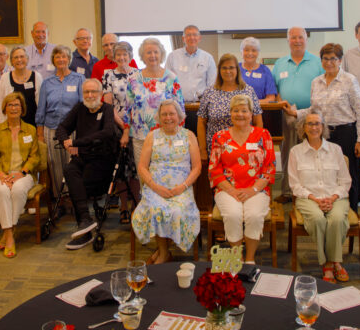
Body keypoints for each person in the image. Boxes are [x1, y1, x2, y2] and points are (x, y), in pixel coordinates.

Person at [284, 44, 360, 210]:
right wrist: (296, 113)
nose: (329, 62)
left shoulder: (349, 80)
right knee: (326, 174)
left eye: (333, 59)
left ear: (340, 60)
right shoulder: (317, 82)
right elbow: (314, 110)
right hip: (323, 133)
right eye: (325, 58)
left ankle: (349, 213)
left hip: (345, 133)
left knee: (348, 174)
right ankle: (325, 209)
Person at [132, 99, 201, 264]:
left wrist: (182, 187)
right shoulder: (152, 136)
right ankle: (163, 253)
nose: (168, 118)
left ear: (179, 116)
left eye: (171, 114)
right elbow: (142, 167)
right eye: (164, 114)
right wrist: (156, 187)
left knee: (177, 211)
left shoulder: (189, 135)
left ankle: (163, 252)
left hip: (181, 188)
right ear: (159, 117)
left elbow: (197, 167)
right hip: (155, 187)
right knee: (155, 209)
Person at [209, 94, 276, 264]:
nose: (240, 114)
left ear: (251, 113)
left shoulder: (263, 134)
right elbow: (214, 169)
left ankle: (250, 260)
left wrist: (252, 190)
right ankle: (236, 257)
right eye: (236, 110)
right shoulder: (220, 136)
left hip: (257, 190)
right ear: (230, 113)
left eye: (244, 111)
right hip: (227, 189)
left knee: (253, 215)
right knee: (232, 214)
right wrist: (231, 190)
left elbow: (269, 168)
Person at [288, 108, 351, 283]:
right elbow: (295, 184)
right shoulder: (295, 152)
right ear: (303, 127)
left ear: (323, 127)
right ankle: (332, 263)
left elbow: (345, 181)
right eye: (310, 123)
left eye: (317, 123)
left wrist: (332, 198)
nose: (314, 127)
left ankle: (331, 263)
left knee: (337, 219)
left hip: (335, 197)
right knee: (318, 219)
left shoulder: (336, 150)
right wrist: (314, 199)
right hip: (308, 199)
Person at [57, 79, 120, 249]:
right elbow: (61, 128)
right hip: (83, 157)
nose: (90, 95)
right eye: (86, 92)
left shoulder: (107, 109)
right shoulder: (79, 108)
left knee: (81, 182)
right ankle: (85, 221)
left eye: (94, 92)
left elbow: (106, 133)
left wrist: (78, 143)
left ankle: (84, 227)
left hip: (102, 158)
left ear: (101, 94)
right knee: (70, 171)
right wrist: (66, 141)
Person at [272, 27, 323, 203]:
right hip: (286, 115)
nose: (297, 41)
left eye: (300, 37)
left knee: (310, 154)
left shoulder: (317, 62)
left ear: (306, 39)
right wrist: (282, 104)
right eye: (293, 38)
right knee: (288, 153)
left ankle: (308, 192)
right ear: (288, 41)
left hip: (312, 115)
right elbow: (275, 89)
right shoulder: (280, 63)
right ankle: (287, 191)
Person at [0, 92, 41, 259]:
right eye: (10, 105)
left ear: (22, 109)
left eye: (17, 105)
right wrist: (2, 176)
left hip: (23, 175)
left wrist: (21, 173)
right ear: (4, 109)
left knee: (17, 190)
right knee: (2, 191)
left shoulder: (30, 130)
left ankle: (7, 232)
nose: (13, 108)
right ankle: (10, 235)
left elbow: (35, 156)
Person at [121, 38, 184, 170]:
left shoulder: (171, 78)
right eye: (148, 52)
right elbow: (127, 108)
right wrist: (126, 132)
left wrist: (179, 132)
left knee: (164, 172)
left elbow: (180, 108)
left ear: (161, 54)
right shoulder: (133, 79)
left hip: (167, 133)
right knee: (143, 174)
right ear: (142, 56)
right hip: (140, 136)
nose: (153, 55)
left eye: (156, 52)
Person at [36, 45, 85, 198]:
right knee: (55, 165)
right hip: (52, 129)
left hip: (73, 130)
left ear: (69, 59)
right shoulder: (47, 82)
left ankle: (74, 198)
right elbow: (41, 109)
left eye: (64, 56)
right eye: (58, 57)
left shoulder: (79, 79)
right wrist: (40, 135)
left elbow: (84, 107)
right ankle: (60, 199)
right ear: (54, 60)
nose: (61, 59)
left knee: (73, 164)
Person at [101, 41, 141, 223]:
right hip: (117, 128)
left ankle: (137, 205)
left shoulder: (139, 75)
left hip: (138, 127)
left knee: (136, 169)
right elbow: (109, 105)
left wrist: (131, 126)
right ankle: (123, 206)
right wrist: (124, 127)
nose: (122, 57)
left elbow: (141, 103)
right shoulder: (108, 75)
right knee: (121, 170)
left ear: (131, 56)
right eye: (118, 55)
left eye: (125, 54)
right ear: (114, 57)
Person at [197, 54, 263, 162]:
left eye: (231, 67)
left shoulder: (248, 91)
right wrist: (202, 150)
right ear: (219, 70)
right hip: (216, 149)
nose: (228, 71)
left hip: (244, 147)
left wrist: (253, 144)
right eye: (224, 68)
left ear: (237, 69)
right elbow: (201, 122)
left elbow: (258, 121)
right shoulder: (209, 92)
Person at [166, 24, 217, 102]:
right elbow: (167, 80)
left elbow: (212, 84)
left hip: (200, 104)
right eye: (188, 35)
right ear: (183, 38)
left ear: (199, 38)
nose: (192, 38)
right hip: (177, 104)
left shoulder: (208, 58)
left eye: (195, 35)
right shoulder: (172, 56)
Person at [0, 46, 42, 127]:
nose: (19, 60)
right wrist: (3, 125)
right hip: (11, 126)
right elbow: (1, 104)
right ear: (11, 61)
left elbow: (41, 105)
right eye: (16, 57)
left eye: (22, 57)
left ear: (27, 59)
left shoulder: (36, 77)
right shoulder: (5, 78)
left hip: (33, 125)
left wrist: (40, 127)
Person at [238, 37, 277, 103]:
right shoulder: (235, 68)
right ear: (241, 52)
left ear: (258, 53)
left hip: (262, 110)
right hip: (237, 110)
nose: (250, 53)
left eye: (253, 50)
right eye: (246, 50)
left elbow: (271, 98)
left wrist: (252, 104)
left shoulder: (265, 70)